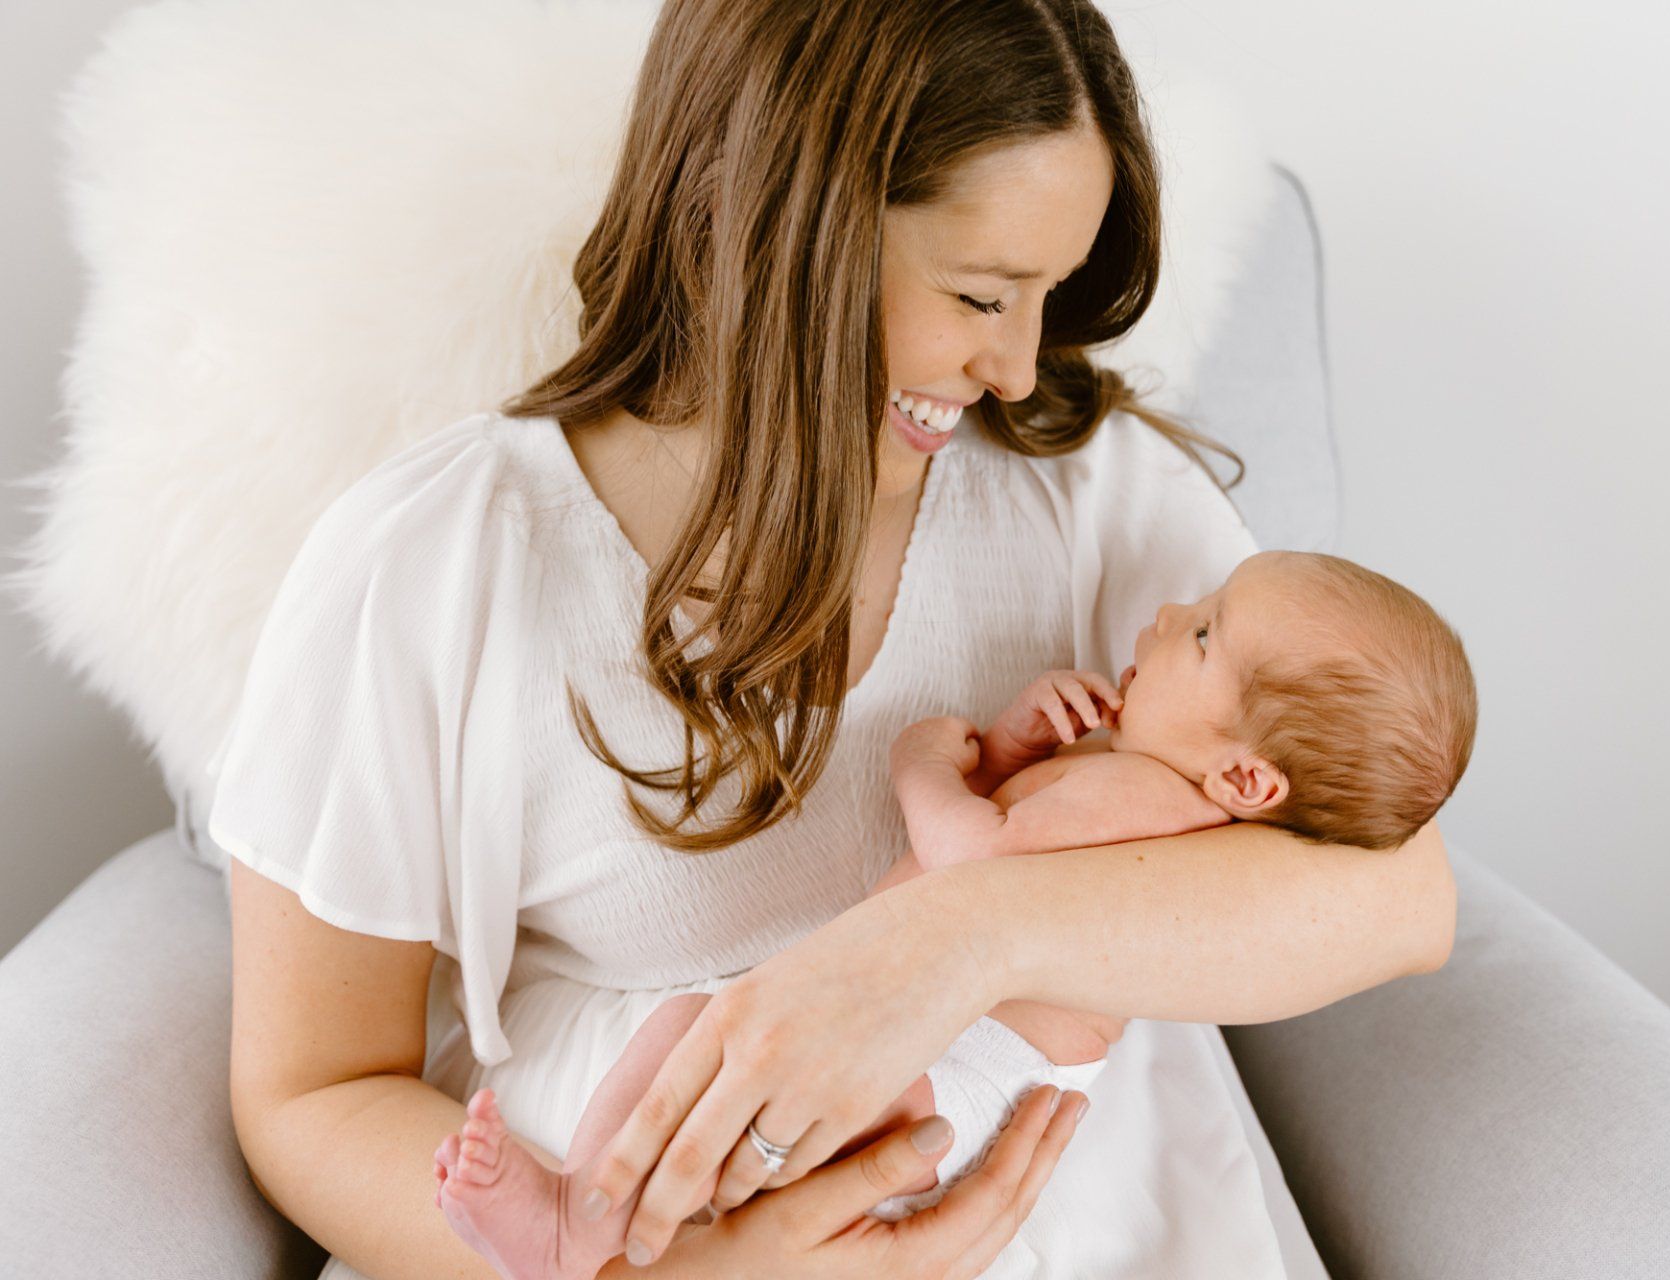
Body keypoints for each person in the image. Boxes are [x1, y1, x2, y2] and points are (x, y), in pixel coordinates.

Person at [216, 1, 1458, 1277]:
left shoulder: (1092, 494)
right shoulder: (437, 559)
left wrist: (954, 942)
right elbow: (313, 1089)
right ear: (771, 226)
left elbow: (1401, 894)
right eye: (981, 293)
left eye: (1047, 296)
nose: (1017, 367)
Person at [426, 549, 1476, 1278]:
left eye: (1202, 632)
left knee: (714, 1054)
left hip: (964, 1078)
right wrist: (1017, 748)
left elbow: (982, 861)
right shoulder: (1148, 784)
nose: (1166, 615)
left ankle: (583, 1219)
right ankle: (582, 1220)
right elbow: (1026, 831)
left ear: (1246, 778)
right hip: (948, 1061)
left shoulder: (1146, 795)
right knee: (696, 1037)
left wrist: (922, 762)